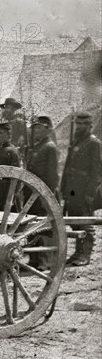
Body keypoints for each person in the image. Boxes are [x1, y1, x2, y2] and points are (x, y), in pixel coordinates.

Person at [61, 112, 102, 266]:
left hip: (84, 189)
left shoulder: (94, 143)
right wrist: (63, 188)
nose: (78, 127)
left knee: (85, 221)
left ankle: (85, 254)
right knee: (75, 220)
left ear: (89, 126)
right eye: (77, 124)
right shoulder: (76, 142)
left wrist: (90, 194)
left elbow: (98, 172)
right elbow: (67, 167)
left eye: (82, 124)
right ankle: (78, 252)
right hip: (72, 188)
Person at [25, 115, 59, 270]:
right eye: (35, 128)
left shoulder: (50, 147)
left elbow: (53, 175)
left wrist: (47, 195)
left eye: (40, 128)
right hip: (31, 191)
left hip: (43, 192)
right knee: (32, 225)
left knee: (44, 226)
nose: (36, 131)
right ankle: (33, 259)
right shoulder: (36, 147)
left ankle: (45, 261)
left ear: (48, 130)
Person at [0, 121, 21, 210]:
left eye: (0, 133)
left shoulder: (12, 151)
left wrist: (11, 199)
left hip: (7, 192)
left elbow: (17, 176)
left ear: (8, 135)